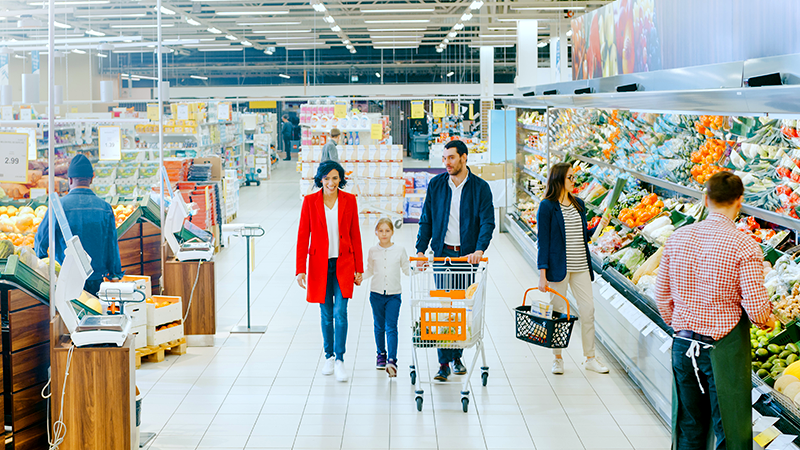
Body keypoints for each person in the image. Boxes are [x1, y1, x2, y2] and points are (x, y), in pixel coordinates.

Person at [655, 171, 776, 450]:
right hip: (722, 352)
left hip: (683, 345)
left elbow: (662, 295)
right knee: (729, 430)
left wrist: (682, 323)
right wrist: (768, 319)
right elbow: (757, 310)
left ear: (705, 198)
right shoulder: (744, 245)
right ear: (740, 201)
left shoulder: (678, 237)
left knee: (689, 427)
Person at [415, 140, 495, 382]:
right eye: (444, 158)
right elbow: (426, 219)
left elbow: (487, 222)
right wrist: (420, 250)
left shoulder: (480, 188)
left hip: (467, 257)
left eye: (451, 157)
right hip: (442, 255)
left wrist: (479, 249)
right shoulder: (436, 185)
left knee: (461, 308)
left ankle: (457, 355)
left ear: (464, 158)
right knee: (443, 306)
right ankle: (443, 363)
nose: (447, 163)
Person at [537, 162, 610, 375]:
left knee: (588, 311)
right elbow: (544, 242)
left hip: (580, 266)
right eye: (570, 177)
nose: (573, 181)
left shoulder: (579, 204)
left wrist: (600, 227)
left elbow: (583, 235)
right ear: (559, 179)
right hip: (558, 267)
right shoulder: (547, 206)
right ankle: (557, 357)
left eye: (573, 177)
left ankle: (590, 357)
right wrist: (542, 274)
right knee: (558, 312)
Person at [296, 160, 364, 382]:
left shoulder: (350, 200)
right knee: (326, 314)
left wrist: (359, 268)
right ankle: (329, 355)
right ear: (320, 179)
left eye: (335, 178)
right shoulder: (309, 202)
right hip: (319, 265)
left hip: (343, 264)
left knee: (340, 313)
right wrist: (300, 269)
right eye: (326, 178)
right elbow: (302, 236)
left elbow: (355, 235)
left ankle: (340, 359)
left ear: (340, 179)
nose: (331, 182)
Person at [34, 154, 123, 295]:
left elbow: (40, 241)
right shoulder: (105, 208)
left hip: (66, 280)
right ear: (92, 178)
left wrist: (43, 269)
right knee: (95, 312)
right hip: (96, 280)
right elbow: (112, 246)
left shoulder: (58, 207)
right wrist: (114, 274)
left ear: (69, 180)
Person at [364, 218, 410, 377]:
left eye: (387, 231)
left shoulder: (400, 250)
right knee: (378, 326)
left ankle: (392, 360)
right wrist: (358, 278)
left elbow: (406, 269)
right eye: (381, 231)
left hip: (394, 295)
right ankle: (381, 354)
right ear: (376, 232)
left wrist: (420, 269)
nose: (384, 234)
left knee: (391, 326)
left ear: (392, 232)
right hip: (376, 294)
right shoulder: (372, 251)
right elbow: (369, 270)